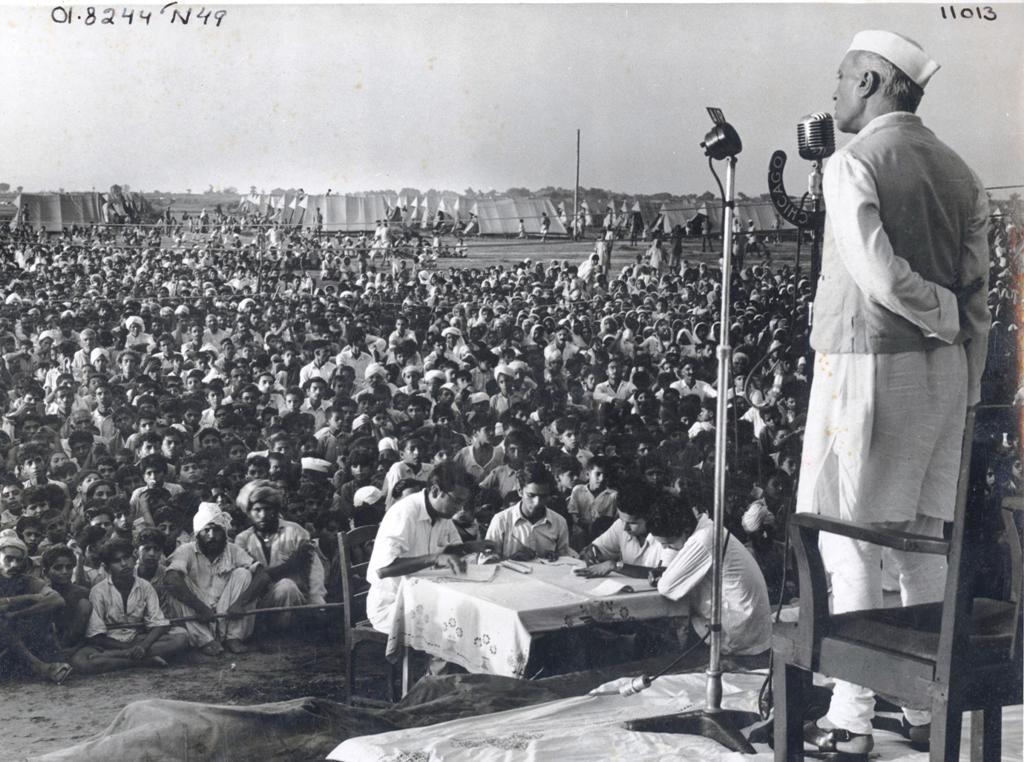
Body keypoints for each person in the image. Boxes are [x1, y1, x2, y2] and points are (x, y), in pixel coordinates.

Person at [797, 31, 990, 756]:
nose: (836, 92)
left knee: (853, 537)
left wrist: (934, 311)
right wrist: (964, 369)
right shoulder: (963, 171)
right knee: (919, 542)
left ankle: (850, 717)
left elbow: (878, 275)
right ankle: (916, 704)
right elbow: (980, 296)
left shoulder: (852, 165)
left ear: (874, 81)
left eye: (844, 78)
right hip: (944, 379)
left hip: (869, 365)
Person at [365, 462, 482, 634]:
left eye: (464, 503)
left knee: (472, 612)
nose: (461, 509)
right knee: (460, 624)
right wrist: (434, 558)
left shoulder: (443, 513)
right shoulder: (404, 513)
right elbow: (382, 570)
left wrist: (472, 547)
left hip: (425, 596)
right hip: (394, 605)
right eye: (457, 501)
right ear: (435, 491)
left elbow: (449, 553)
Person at [163, 502, 269, 656]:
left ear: (224, 532)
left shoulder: (233, 550)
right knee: (177, 581)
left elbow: (262, 575)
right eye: (206, 530)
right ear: (198, 533)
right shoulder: (186, 550)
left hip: (227, 611)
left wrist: (241, 603)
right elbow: (171, 580)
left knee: (243, 574)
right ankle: (205, 640)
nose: (212, 536)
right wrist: (200, 607)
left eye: (217, 530)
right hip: (198, 613)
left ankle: (234, 637)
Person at [70, 538, 188, 674]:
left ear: (134, 558)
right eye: (116, 561)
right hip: (109, 643)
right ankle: (142, 661)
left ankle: (116, 658)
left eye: (127, 558)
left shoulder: (145, 586)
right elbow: (96, 636)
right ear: (107, 568)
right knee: (80, 662)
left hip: (137, 639)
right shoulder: (98, 591)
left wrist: (143, 646)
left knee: (181, 639)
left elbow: (159, 623)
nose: (124, 564)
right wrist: (126, 649)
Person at [233, 480, 326, 631]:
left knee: (287, 587)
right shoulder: (243, 539)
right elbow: (249, 576)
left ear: (276, 509)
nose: (263, 515)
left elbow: (315, 571)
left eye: (268, 509)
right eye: (257, 510)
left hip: (296, 599)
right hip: (259, 602)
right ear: (248, 513)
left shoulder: (295, 532)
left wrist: (316, 601)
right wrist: (289, 566)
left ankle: (285, 632)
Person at [0, 530, 71, 684]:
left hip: (18, 640)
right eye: (9, 559)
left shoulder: (27, 580)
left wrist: (18, 613)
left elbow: (57, 600)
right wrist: (29, 597)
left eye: (19, 560)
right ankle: (40, 667)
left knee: (41, 613)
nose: (14, 565)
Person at [485, 462, 569, 560]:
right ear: (520, 491)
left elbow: (565, 562)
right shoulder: (501, 520)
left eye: (543, 496)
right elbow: (487, 563)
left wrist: (557, 558)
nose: (537, 502)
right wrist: (511, 560)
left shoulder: (559, 522)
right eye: (531, 495)